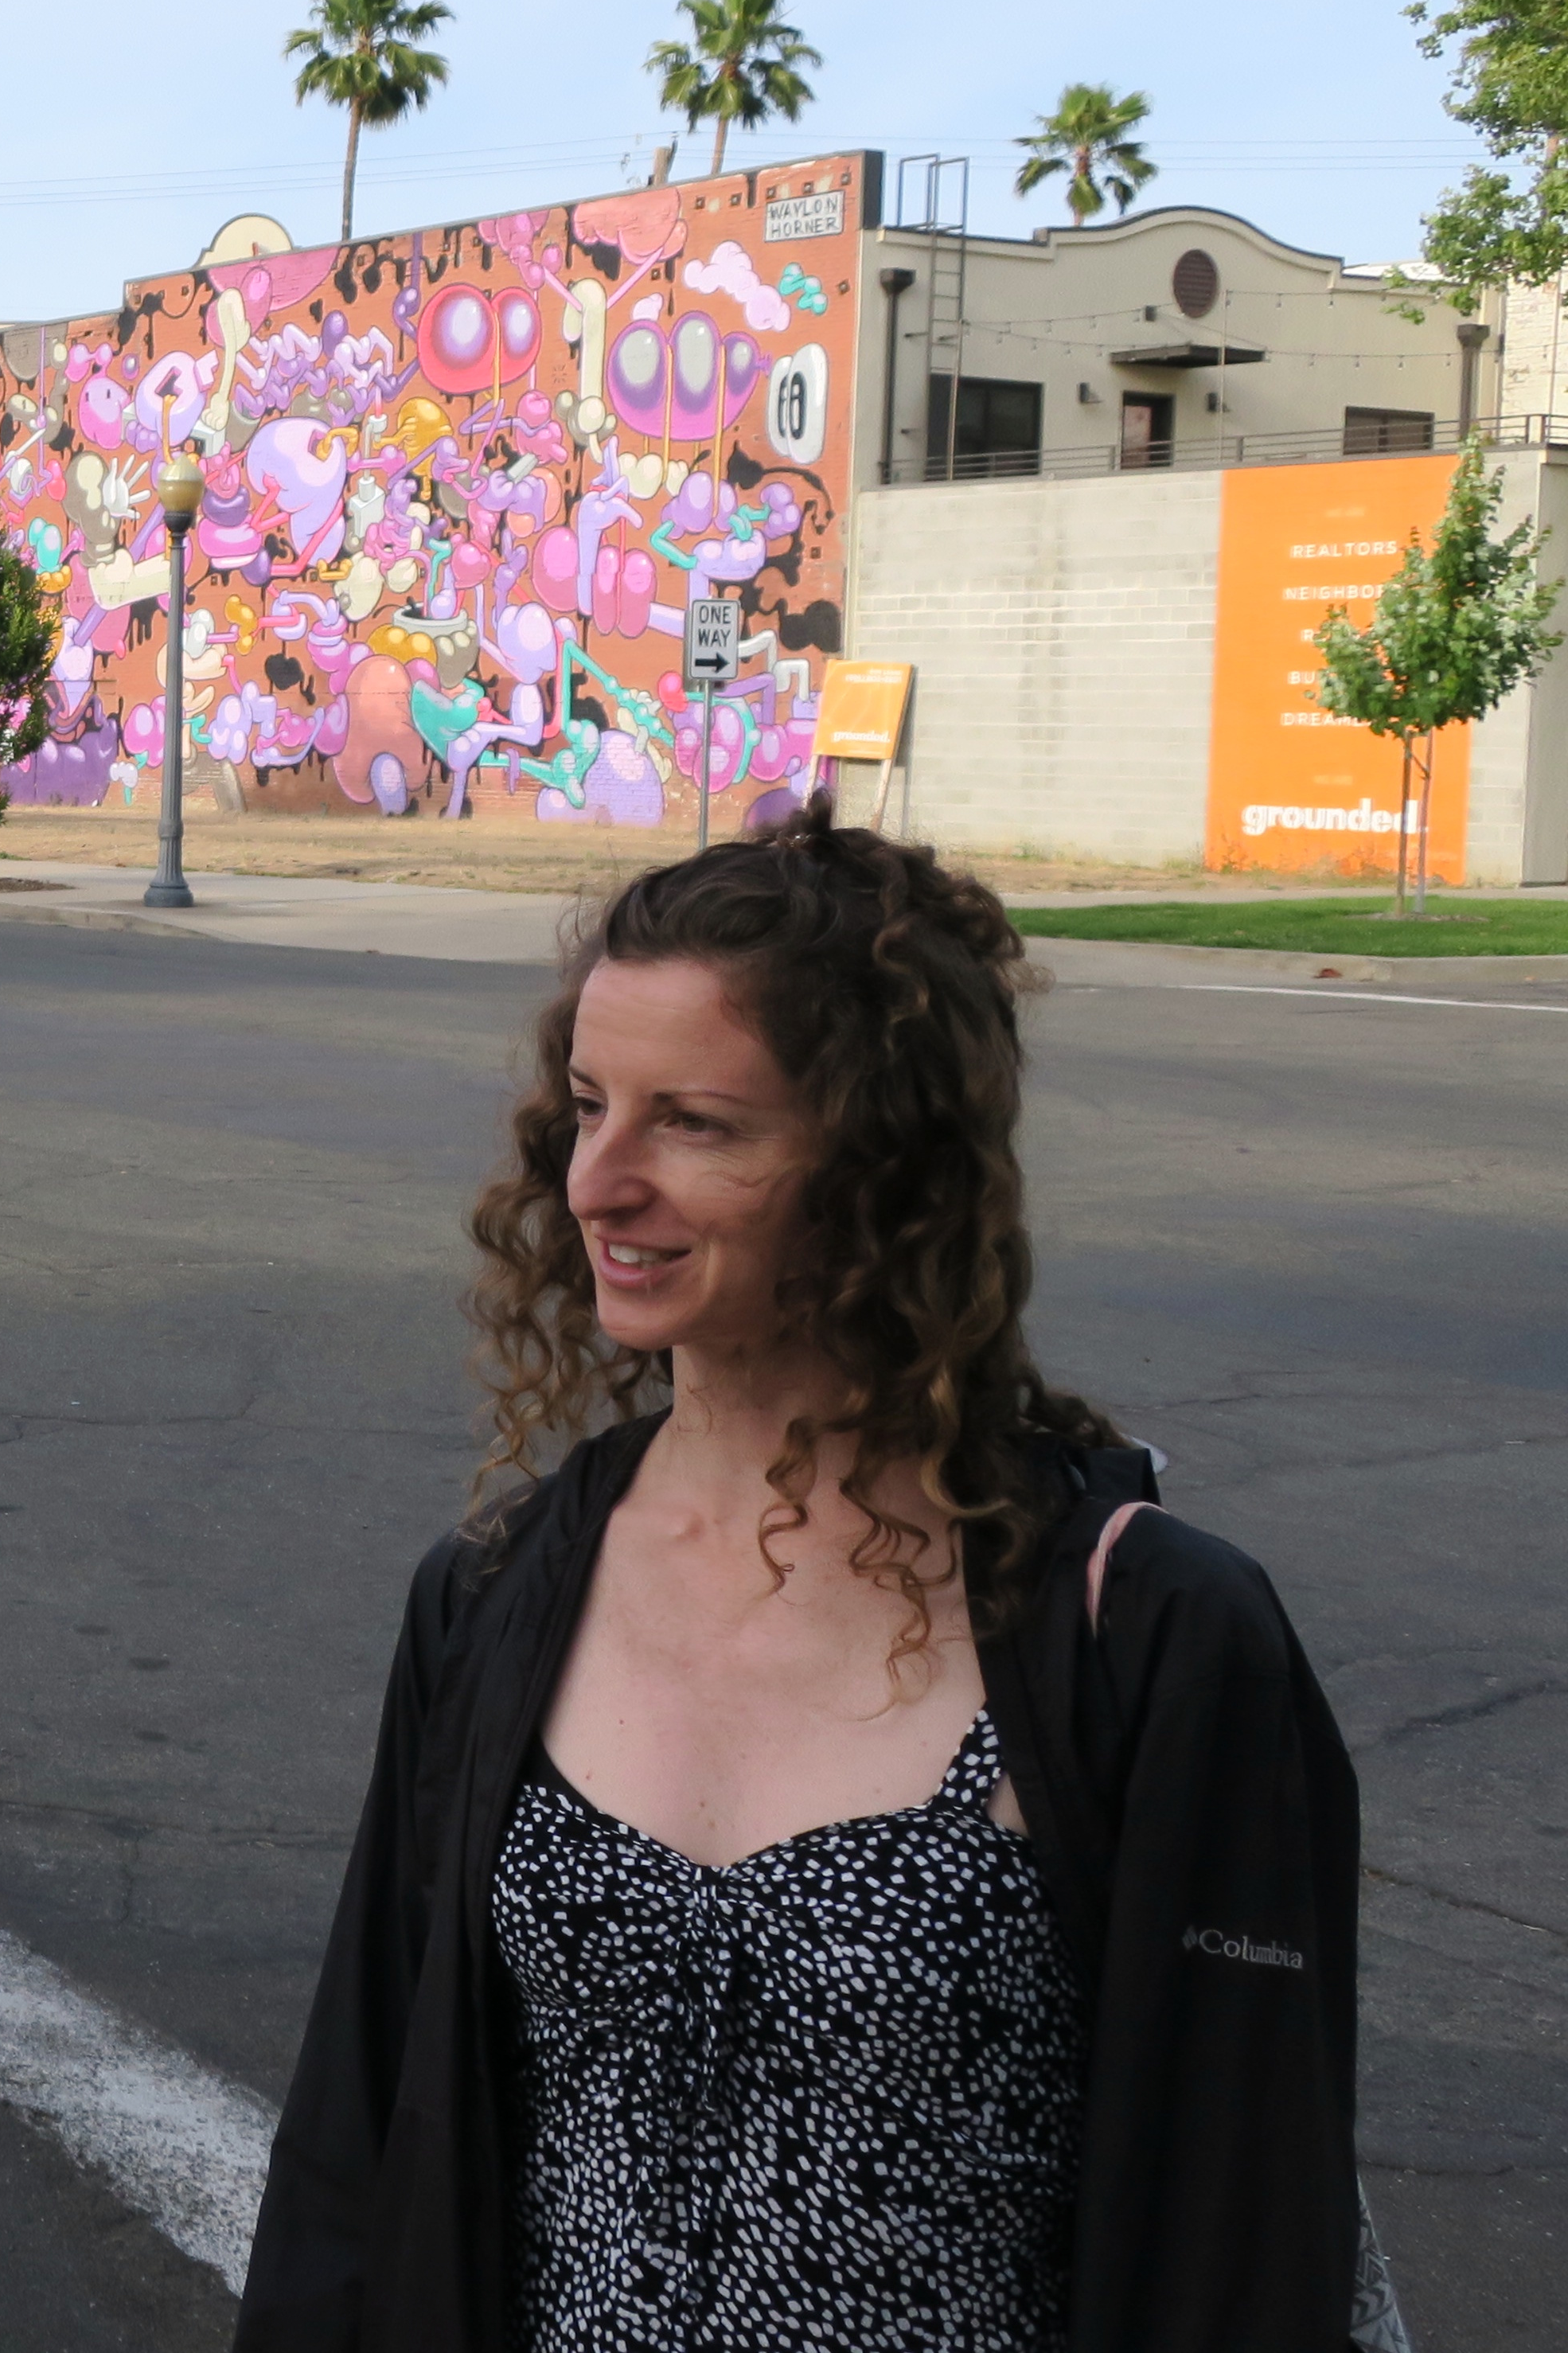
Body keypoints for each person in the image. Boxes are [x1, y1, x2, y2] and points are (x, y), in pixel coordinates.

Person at [236, 806, 1386, 2353]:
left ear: (885, 1169)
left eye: (695, 1123)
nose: (596, 1183)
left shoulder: (1149, 1637)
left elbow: (1245, 2247)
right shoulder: (494, 1596)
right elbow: (357, 2149)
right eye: (589, 1106)